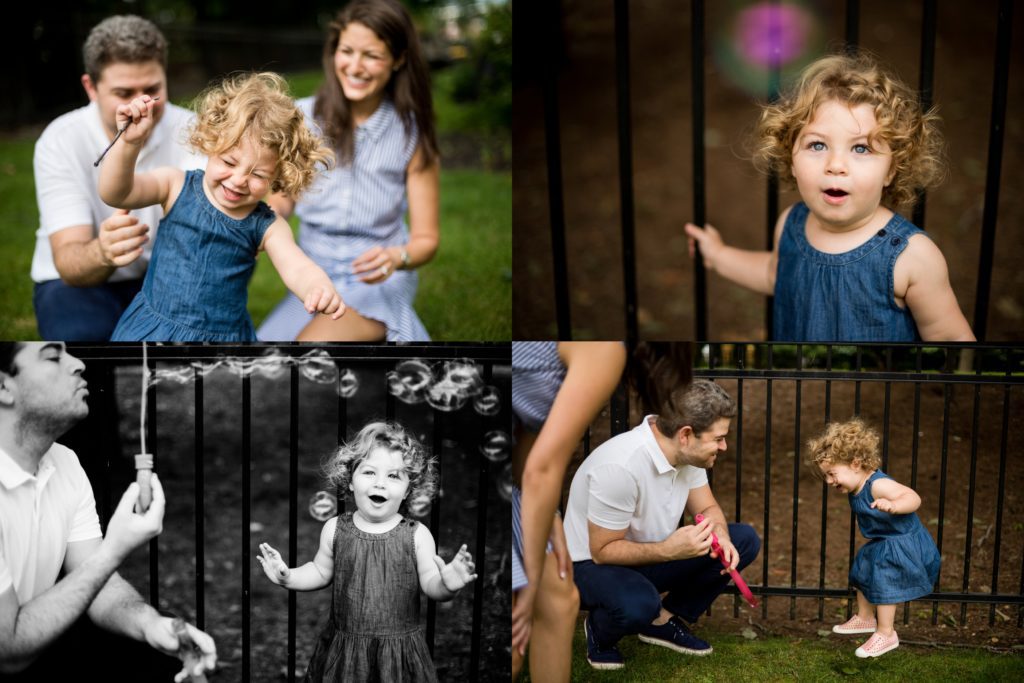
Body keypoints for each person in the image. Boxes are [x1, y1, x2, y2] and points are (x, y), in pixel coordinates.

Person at [684, 51, 974, 342]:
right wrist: (719, 255)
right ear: (791, 158)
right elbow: (777, 274)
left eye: (861, 148)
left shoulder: (914, 257)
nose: (836, 165)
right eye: (817, 145)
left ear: (891, 170)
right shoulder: (790, 224)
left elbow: (949, 338)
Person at [0, 342, 216, 681]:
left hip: (38, 652)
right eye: (54, 357)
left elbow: (99, 587)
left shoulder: (64, 462)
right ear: (3, 387)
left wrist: (151, 625)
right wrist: (114, 550)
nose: (79, 364)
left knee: (162, 654)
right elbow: (7, 650)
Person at [98, 72, 344, 341]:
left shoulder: (268, 226)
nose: (238, 180)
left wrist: (316, 286)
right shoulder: (175, 185)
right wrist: (129, 144)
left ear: (278, 176)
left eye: (259, 175)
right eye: (228, 162)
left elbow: (297, 266)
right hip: (156, 330)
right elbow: (116, 193)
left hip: (222, 342)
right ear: (211, 143)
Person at [257, 0, 440, 342]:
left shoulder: (412, 133)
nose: (355, 67)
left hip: (377, 284)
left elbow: (426, 240)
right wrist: (264, 221)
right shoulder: (302, 118)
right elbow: (282, 201)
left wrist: (396, 257)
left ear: (398, 60)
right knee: (262, 355)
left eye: (372, 55)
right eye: (347, 51)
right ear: (334, 52)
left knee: (306, 352)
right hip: (314, 279)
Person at [563, 379, 761, 670]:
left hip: (649, 553)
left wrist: (721, 535)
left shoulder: (687, 455)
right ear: (685, 435)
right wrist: (669, 550)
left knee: (742, 540)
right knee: (638, 605)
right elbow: (602, 551)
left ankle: (661, 620)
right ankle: (600, 632)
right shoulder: (620, 466)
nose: (724, 446)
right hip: (588, 565)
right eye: (718, 438)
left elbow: (707, 507)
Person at [257, 421, 476, 682]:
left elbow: (431, 583)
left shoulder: (417, 536)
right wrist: (288, 576)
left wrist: (448, 585)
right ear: (350, 480)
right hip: (346, 653)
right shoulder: (335, 529)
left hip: (398, 655)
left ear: (408, 490)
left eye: (393, 476)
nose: (380, 484)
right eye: (369, 472)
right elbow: (319, 571)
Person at [32, 15, 204, 341]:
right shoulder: (61, 139)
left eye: (152, 90)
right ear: (90, 88)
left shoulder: (194, 130)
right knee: (87, 350)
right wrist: (102, 252)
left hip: (166, 280)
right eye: (124, 92)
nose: (141, 105)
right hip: (79, 284)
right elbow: (68, 260)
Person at [511, 342, 627, 682]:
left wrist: (551, 515)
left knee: (560, 601)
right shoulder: (604, 351)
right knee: (513, 649)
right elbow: (542, 468)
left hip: (513, 473)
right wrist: (528, 581)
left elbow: (528, 435)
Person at [807, 418, 940, 658]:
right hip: (885, 542)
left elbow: (913, 497)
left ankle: (886, 633)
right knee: (864, 567)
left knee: (885, 579)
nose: (828, 481)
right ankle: (865, 618)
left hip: (904, 543)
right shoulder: (857, 485)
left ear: (855, 463)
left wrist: (894, 505)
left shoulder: (878, 485)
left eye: (832, 474)